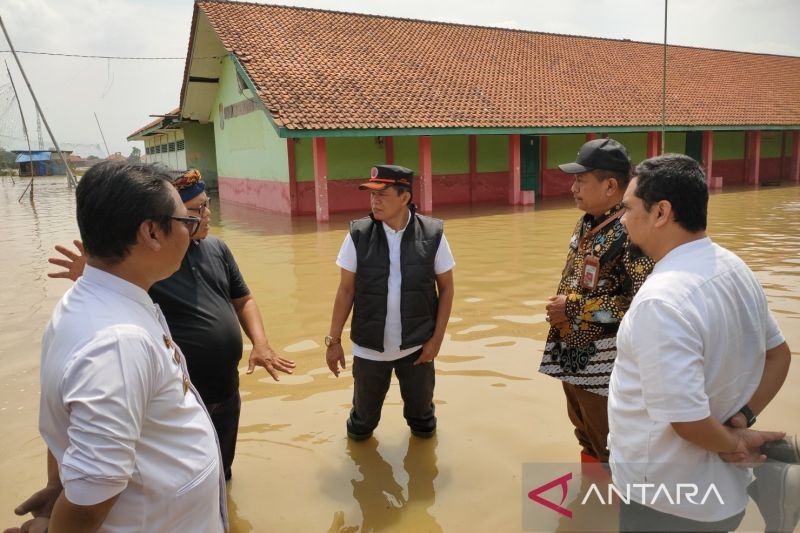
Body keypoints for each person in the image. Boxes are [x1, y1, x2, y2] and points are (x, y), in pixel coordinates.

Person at [7, 161, 227, 532]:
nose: (191, 233)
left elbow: (71, 424)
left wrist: (57, 485)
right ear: (152, 232)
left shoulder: (91, 302)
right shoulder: (117, 343)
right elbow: (93, 492)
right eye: (185, 223)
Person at [43, 168, 295, 481]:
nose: (205, 216)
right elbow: (92, 474)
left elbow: (243, 299)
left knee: (220, 470)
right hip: (180, 396)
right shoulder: (154, 265)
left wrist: (261, 343)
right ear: (154, 231)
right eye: (193, 212)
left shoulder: (217, 250)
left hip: (226, 388)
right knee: (181, 474)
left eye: (207, 205)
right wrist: (97, 274)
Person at [609, 153, 792, 531]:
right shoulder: (733, 267)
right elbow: (779, 356)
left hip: (668, 501)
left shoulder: (661, 301)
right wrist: (742, 420)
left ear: (661, 212)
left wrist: (740, 443)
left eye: (627, 208)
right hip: (722, 496)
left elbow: (688, 422)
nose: (622, 219)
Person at [538, 138, 653, 464]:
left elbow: (641, 305)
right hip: (572, 352)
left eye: (581, 180)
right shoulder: (588, 220)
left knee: (610, 441)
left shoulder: (632, 230)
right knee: (583, 431)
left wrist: (573, 307)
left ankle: (619, 505)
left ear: (611, 185)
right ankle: (591, 501)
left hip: (605, 363)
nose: (573, 187)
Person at [325, 165, 455, 440]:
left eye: (382, 194)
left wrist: (436, 341)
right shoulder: (357, 235)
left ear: (405, 197)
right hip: (369, 350)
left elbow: (446, 290)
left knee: (423, 423)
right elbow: (345, 291)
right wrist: (333, 341)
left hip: (417, 350)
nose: (374, 201)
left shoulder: (432, 235)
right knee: (362, 425)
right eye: (372, 194)